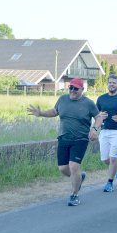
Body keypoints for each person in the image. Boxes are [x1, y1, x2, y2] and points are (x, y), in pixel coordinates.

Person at [27, 78, 102, 206]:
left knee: (74, 166)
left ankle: (74, 195)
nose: (72, 91)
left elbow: (98, 116)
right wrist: (41, 113)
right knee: (63, 168)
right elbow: (55, 111)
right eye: (71, 88)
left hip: (80, 139)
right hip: (63, 138)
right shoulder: (63, 99)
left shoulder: (88, 103)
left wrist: (94, 129)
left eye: (75, 89)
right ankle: (79, 178)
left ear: (82, 90)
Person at [96, 74, 117, 192]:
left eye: (114, 83)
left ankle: (109, 183)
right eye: (110, 82)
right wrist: (99, 116)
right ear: (108, 84)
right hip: (104, 131)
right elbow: (96, 115)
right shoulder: (101, 99)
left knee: (112, 158)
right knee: (105, 160)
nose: (111, 84)